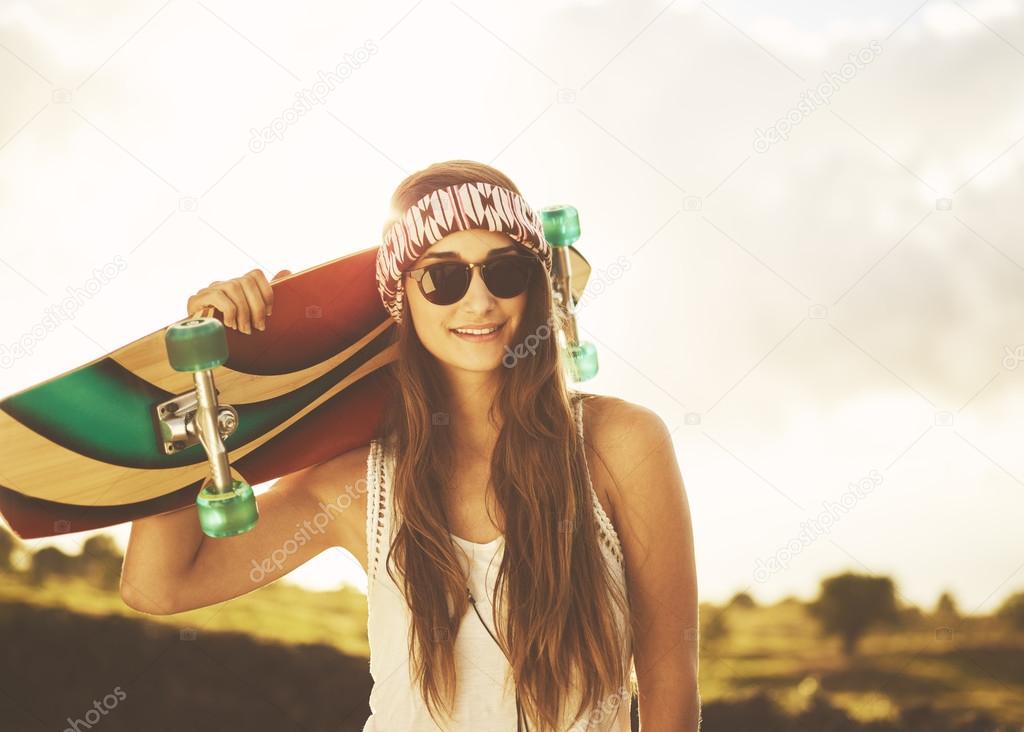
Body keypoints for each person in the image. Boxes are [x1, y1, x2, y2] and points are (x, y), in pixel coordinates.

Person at [120, 160, 700, 731]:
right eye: (443, 279)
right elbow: (160, 584)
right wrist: (194, 378)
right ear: (403, 298)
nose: (479, 303)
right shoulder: (357, 484)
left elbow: (670, 678)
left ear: (533, 289)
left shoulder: (620, 445)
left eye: (503, 273)